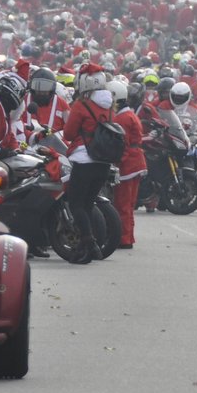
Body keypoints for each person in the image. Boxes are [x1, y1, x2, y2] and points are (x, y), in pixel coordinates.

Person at [59, 66, 114, 264]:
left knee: (76, 204)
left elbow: (68, 133)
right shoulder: (109, 105)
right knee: (88, 204)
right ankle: (88, 245)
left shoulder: (82, 105)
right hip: (103, 161)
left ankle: (89, 242)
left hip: (84, 158)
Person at [108, 79, 146, 250]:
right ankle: (128, 236)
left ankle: (124, 239)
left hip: (128, 164)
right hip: (136, 162)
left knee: (122, 204)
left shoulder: (122, 118)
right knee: (129, 204)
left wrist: (116, 164)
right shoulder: (130, 115)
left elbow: (121, 144)